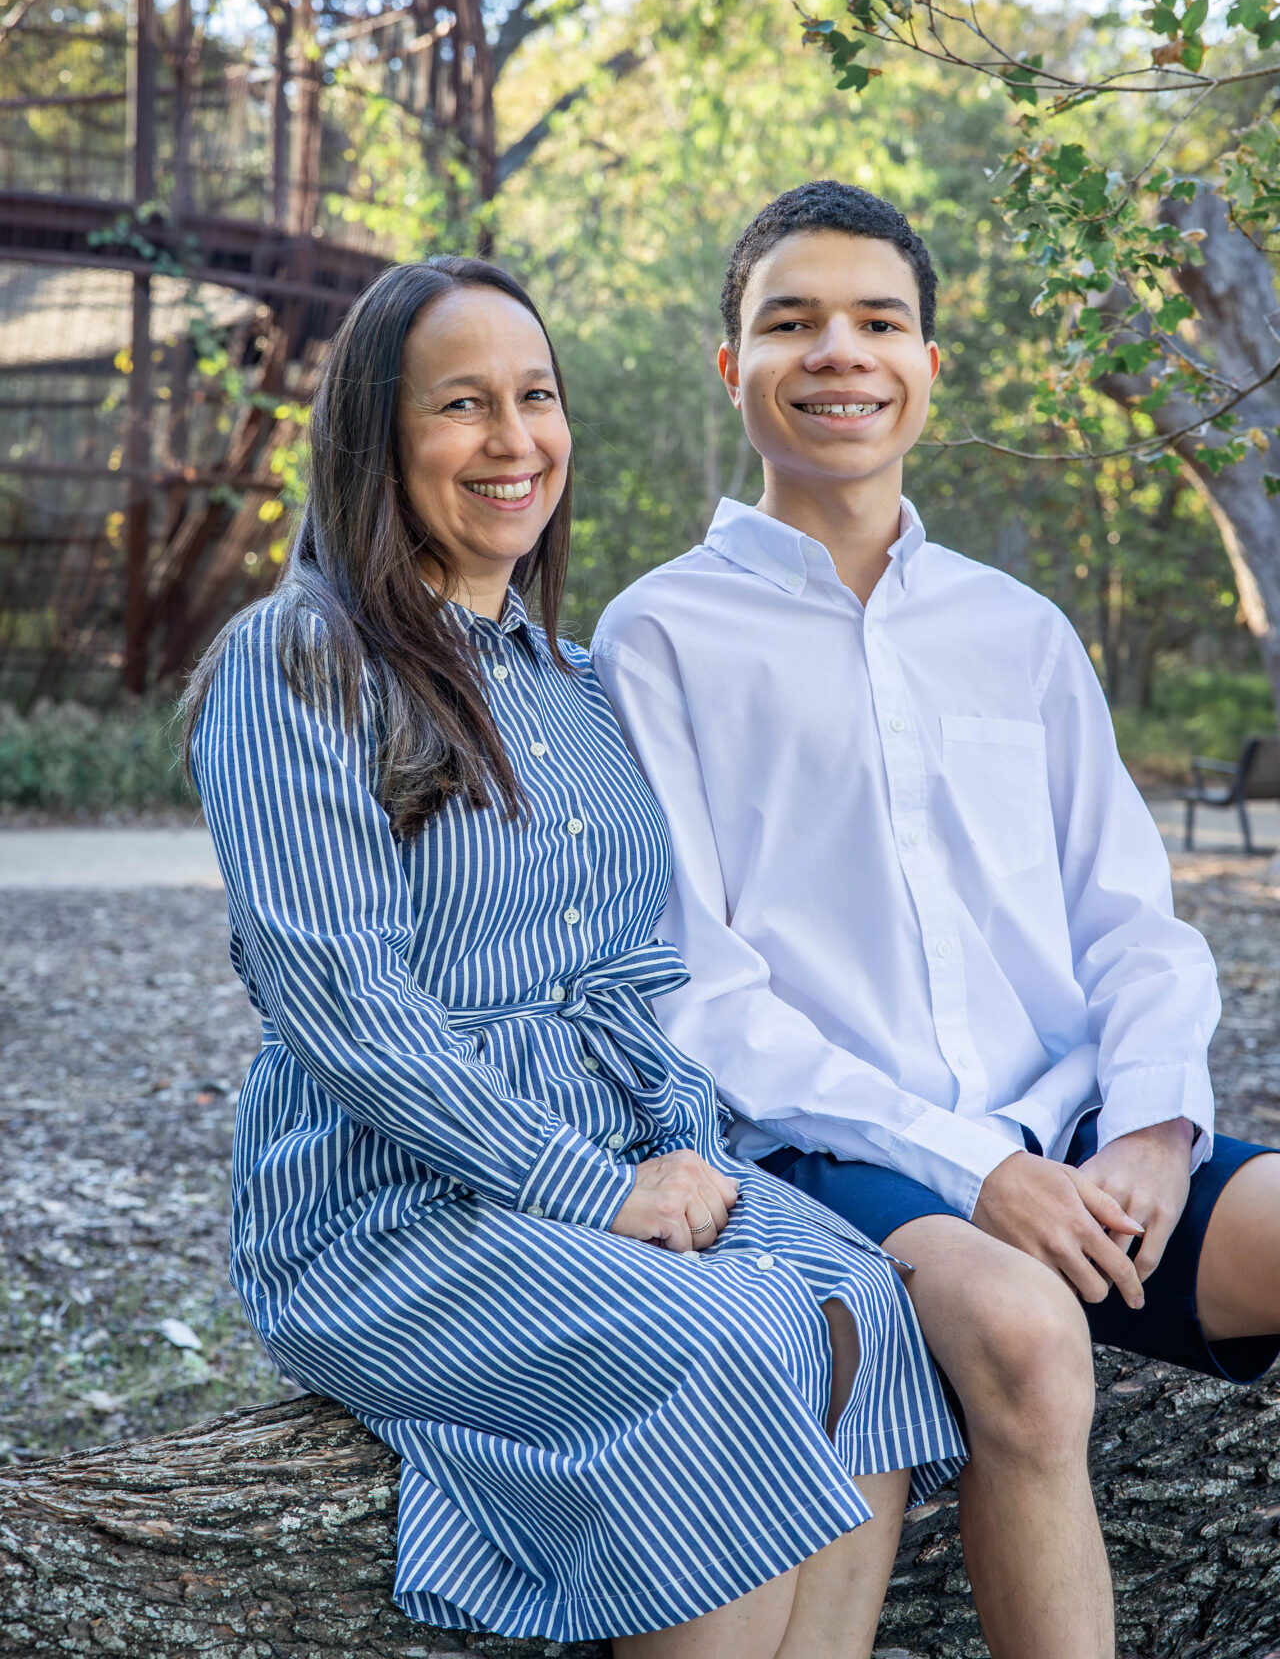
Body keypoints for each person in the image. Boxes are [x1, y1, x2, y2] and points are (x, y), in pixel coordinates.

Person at [183, 254, 964, 1659]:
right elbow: (343, 1005)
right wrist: (592, 1191)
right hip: (389, 1208)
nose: (513, 441)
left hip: (612, 1164)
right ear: (377, 438)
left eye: (536, 398)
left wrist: (679, 1142)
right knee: (721, 1351)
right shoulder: (296, 658)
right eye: (462, 406)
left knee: (860, 1308)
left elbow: (628, 979)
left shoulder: (578, 678)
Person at [591, 180, 1280, 1659]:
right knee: (1030, 1346)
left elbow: (1132, 922)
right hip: (839, 1157)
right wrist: (980, 1176)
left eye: (877, 320)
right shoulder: (655, 637)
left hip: (1090, 1139)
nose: (839, 352)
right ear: (734, 369)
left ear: (927, 365)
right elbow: (701, 993)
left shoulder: (1019, 629)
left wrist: (1157, 1122)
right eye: (792, 322)